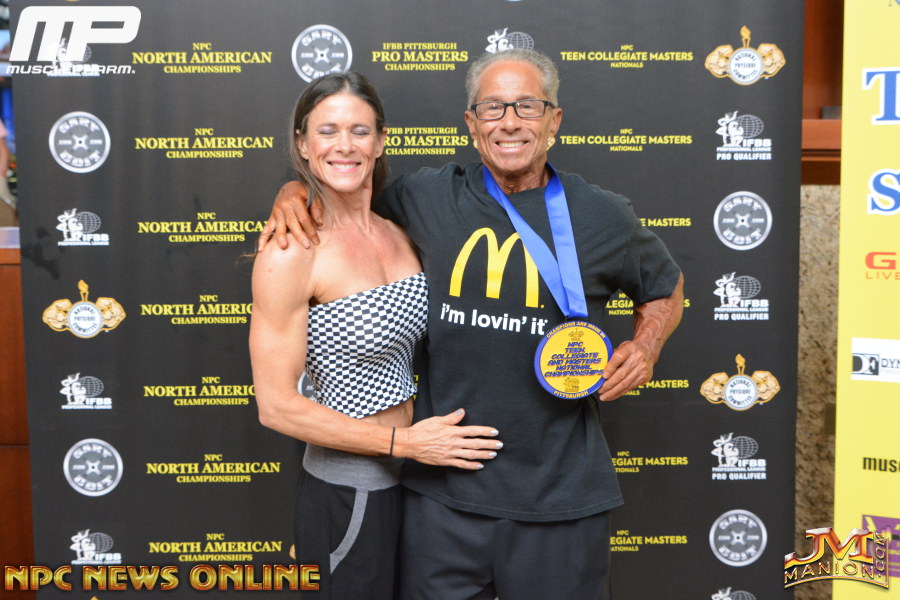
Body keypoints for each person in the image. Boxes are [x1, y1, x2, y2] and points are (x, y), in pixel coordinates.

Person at [260, 50, 685, 600]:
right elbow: (342, 182)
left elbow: (665, 286)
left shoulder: (603, 214)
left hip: (559, 500)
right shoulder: (425, 196)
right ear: (471, 122)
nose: (509, 122)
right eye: (492, 108)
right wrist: (292, 192)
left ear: (554, 119)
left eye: (527, 106)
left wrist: (646, 345)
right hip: (440, 500)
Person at [248, 72, 502, 600]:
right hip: (349, 491)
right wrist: (405, 443)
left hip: (421, 485)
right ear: (302, 144)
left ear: (381, 141)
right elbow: (276, 407)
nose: (344, 145)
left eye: (359, 131)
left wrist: (412, 450)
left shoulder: (399, 229)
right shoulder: (292, 249)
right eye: (327, 131)